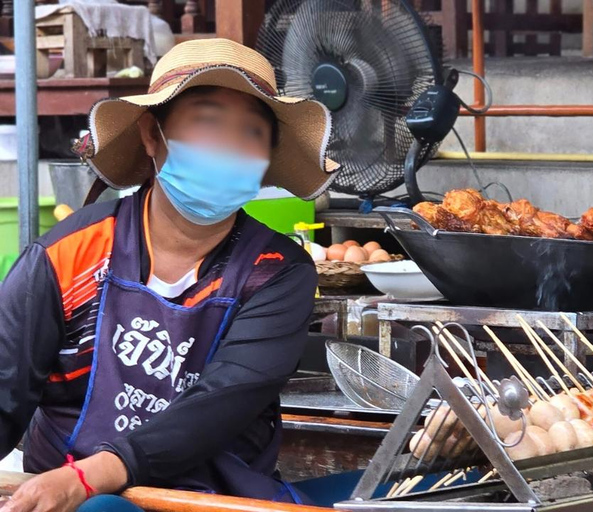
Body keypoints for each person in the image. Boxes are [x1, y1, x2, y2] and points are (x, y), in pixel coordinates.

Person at [0, 39, 339, 512]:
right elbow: (5, 385)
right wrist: (70, 483)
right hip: (62, 498)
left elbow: (221, 402)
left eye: (250, 134)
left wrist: (90, 475)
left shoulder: (278, 273)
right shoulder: (67, 254)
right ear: (151, 134)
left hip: (211, 499)